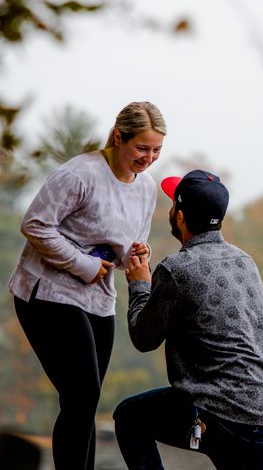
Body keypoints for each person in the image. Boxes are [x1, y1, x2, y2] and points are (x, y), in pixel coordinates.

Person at [8, 101, 167, 470]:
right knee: (82, 395)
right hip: (46, 292)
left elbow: (128, 242)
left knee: (85, 400)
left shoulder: (146, 187)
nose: (149, 158)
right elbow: (34, 225)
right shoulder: (79, 175)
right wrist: (84, 265)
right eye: (142, 148)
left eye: (157, 150)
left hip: (98, 298)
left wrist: (136, 255)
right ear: (118, 137)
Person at [113, 169, 263, 470]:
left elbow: (143, 338)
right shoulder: (245, 262)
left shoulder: (176, 269)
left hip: (221, 416)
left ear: (179, 217)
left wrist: (140, 284)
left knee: (130, 417)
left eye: (172, 204)